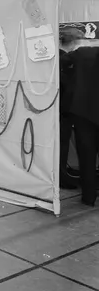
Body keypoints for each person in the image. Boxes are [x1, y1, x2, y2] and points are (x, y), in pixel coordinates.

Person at [61, 30, 99, 206]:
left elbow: (61, 61)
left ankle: (88, 197)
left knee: (86, 157)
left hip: (83, 113)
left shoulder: (81, 53)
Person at [58, 28, 83, 190]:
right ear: (74, 41)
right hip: (63, 110)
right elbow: (66, 86)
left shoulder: (60, 58)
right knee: (62, 144)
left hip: (62, 109)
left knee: (63, 144)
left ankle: (63, 171)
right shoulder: (64, 60)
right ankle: (61, 176)